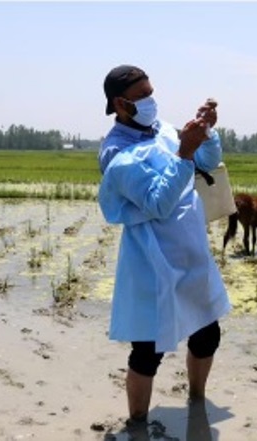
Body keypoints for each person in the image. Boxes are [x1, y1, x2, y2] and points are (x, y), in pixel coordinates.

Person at [96, 64, 231, 432]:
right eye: (142, 96)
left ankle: (196, 400)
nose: (150, 101)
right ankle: (137, 422)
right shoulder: (117, 154)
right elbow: (157, 203)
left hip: (190, 249)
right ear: (120, 104)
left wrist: (205, 133)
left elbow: (206, 162)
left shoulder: (163, 130)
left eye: (151, 92)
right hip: (152, 259)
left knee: (207, 333)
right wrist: (184, 153)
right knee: (147, 349)